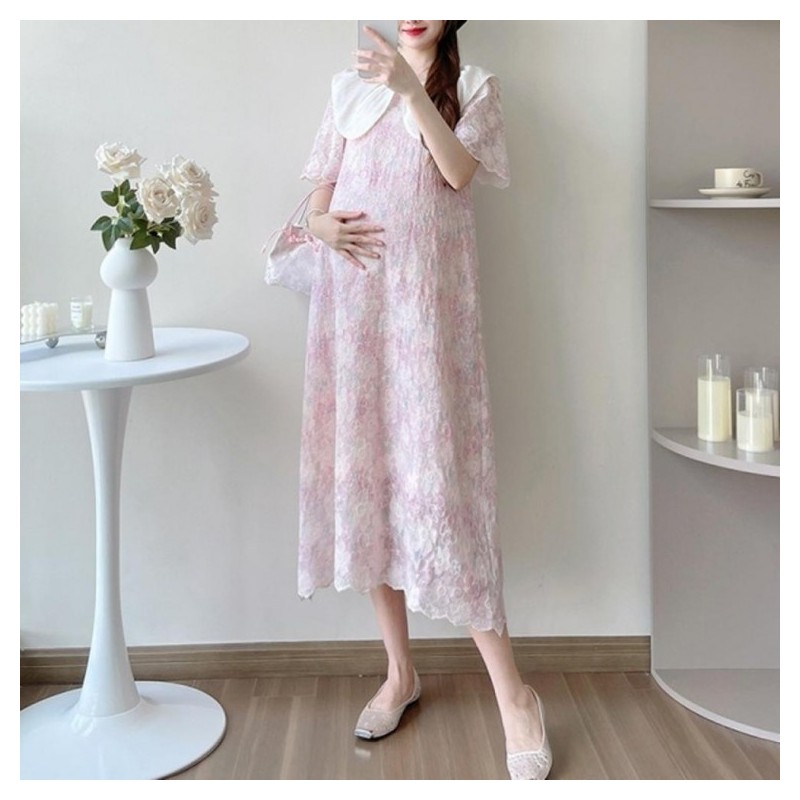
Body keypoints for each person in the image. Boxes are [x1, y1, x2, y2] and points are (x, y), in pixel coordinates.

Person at [295, 21, 551, 780]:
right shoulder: (347, 90)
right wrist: (319, 224)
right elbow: (318, 196)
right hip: (355, 316)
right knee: (369, 483)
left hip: (427, 325)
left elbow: (459, 174)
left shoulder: (474, 87)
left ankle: (516, 698)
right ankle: (399, 672)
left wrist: (411, 90)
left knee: (447, 497)